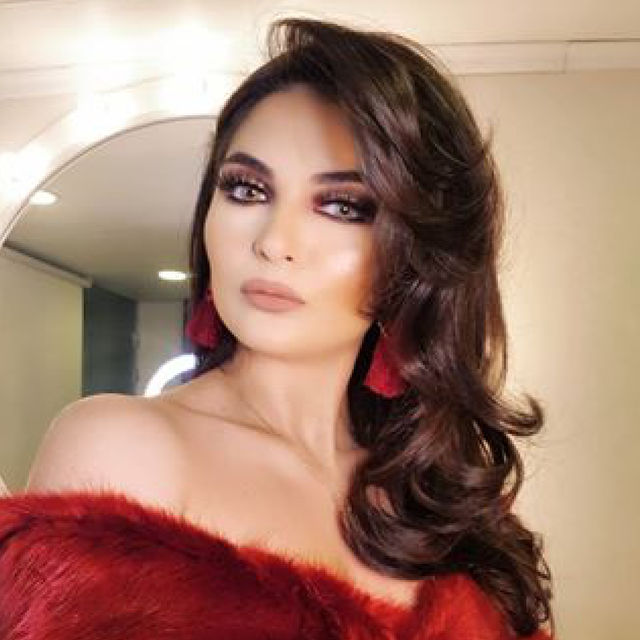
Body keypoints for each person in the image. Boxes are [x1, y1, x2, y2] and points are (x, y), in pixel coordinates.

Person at [0, 17, 554, 639]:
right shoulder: (124, 448)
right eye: (246, 189)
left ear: (417, 254)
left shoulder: (439, 493)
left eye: (343, 205)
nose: (274, 241)